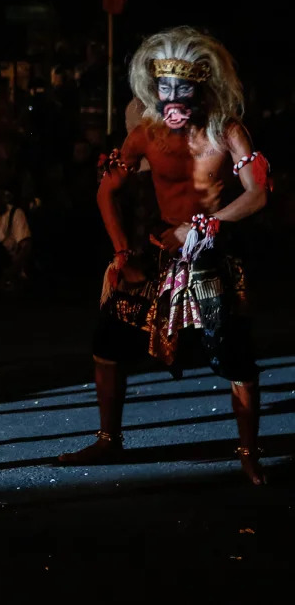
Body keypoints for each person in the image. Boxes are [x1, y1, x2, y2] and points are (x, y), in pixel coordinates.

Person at [58, 27, 269, 485]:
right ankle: (109, 440)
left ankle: (249, 453)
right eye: (165, 87)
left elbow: (257, 193)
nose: (172, 96)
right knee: (109, 344)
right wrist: (120, 252)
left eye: (183, 87)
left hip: (212, 261)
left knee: (233, 356)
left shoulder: (227, 132)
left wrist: (206, 225)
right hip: (157, 258)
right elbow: (106, 191)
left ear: (203, 88)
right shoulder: (146, 134)